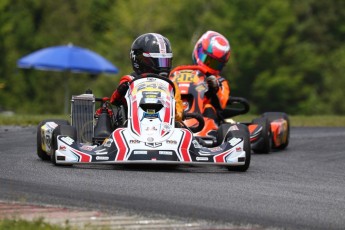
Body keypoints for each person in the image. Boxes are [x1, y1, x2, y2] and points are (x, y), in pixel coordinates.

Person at [110, 33, 184, 122]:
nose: (163, 67)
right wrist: (121, 90)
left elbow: (179, 115)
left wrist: (174, 112)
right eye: (159, 61)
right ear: (141, 61)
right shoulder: (129, 80)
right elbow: (114, 100)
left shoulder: (171, 86)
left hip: (165, 128)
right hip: (132, 126)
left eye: (165, 61)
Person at [170, 30, 231, 124]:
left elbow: (222, 104)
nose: (209, 65)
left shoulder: (221, 82)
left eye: (215, 64)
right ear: (198, 51)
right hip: (176, 112)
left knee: (209, 108)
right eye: (207, 59)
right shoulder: (177, 74)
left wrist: (214, 89)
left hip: (203, 118)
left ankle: (210, 133)